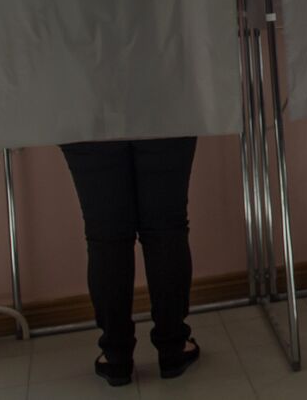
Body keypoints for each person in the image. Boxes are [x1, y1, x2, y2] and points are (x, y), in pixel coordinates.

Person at [61, 138, 202, 387]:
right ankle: (173, 347)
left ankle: (116, 355)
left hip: (88, 114)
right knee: (166, 229)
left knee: (106, 237)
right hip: (164, 111)